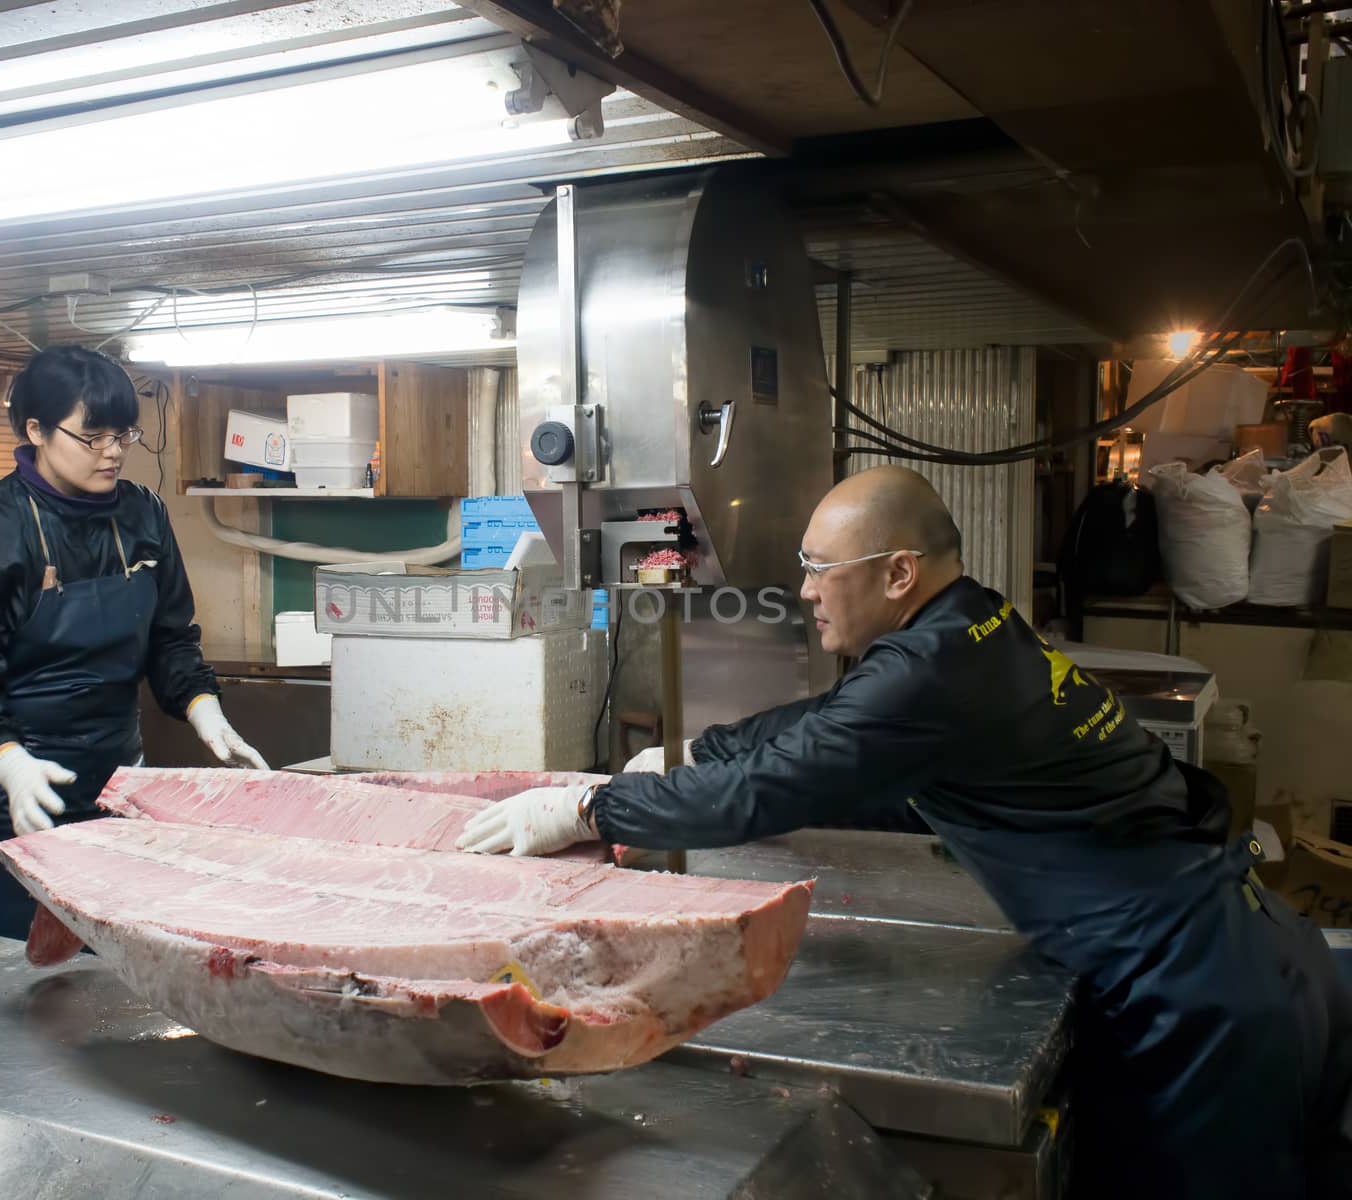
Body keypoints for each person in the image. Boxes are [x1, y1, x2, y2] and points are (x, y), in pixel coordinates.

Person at [459, 465, 1352, 1199]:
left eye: (821, 568)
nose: (806, 590)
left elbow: (781, 782)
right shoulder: (968, 627)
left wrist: (588, 810)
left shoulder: (932, 669)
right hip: (1243, 957)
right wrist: (693, 751)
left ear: (897, 573)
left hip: (1202, 1000)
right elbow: (826, 731)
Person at [0, 345, 266, 939]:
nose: (113, 452)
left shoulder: (143, 515)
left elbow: (171, 638)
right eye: (93, 436)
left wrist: (205, 711)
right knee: (3, 984)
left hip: (114, 791)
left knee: (110, 978)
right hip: (5, 801)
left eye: (124, 434)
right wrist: (10, 766)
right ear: (35, 429)